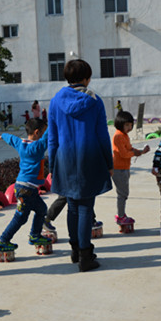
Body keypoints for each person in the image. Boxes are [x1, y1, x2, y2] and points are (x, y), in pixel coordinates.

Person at [48, 59, 112, 272]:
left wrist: (52, 166)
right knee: (85, 207)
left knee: (73, 207)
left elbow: (53, 138)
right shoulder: (94, 100)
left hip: (64, 159)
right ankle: (86, 256)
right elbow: (102, 135)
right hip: (89, 158)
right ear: (86, 78)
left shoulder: (56, 101)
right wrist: (108, 162)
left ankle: (75, 250)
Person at [0, 118, 51, 251]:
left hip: (26, 188)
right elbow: (48, 134)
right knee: (20, 217)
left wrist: (3, 136)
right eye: (42, 132)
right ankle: (3, 240)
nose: (44, 134)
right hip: (26, 190)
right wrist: (55, 119)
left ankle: (35, 235)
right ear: (37, 132)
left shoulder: (21, 143)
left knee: (41, 209)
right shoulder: (38, 146)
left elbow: (12, 138)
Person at [112, 110, 150, 224]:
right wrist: (135, 153)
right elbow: (123, 154)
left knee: (124, 193)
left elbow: (129, 149)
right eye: (127, 125)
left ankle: (121, 214)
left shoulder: (124, 135)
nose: (129, 127)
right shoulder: (118, 136)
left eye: (130, 125)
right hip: (118, 168)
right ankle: (121, 216)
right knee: (122, 193)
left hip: (124, 167)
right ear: (120, 124)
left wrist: (141, 152)